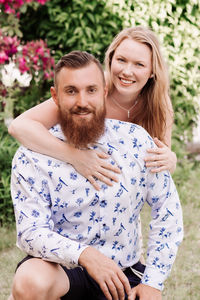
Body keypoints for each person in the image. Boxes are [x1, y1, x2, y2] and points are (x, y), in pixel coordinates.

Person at [9, 50, 183, 300]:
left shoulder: (135, 141)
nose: (82, 101)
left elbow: (168, 211)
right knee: (30, 281)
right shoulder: (32, 157)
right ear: (55, 96)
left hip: (123, 275)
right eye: (71, 91)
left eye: (91, 90)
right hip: (62, 271)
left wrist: (153, 283)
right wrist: (86, 255)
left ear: (103, 92)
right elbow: (31, 232)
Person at [8, 26, 177, 192]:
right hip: (68, 190)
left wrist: (171, 160)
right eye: (121, 60)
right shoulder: (91, 86)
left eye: (139, 64)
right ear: (110, 59)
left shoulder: (159, 103)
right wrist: (75, 156)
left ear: (152, 71)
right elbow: (20, 126)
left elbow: (160, 168)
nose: (127, 71)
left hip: (118, 201)